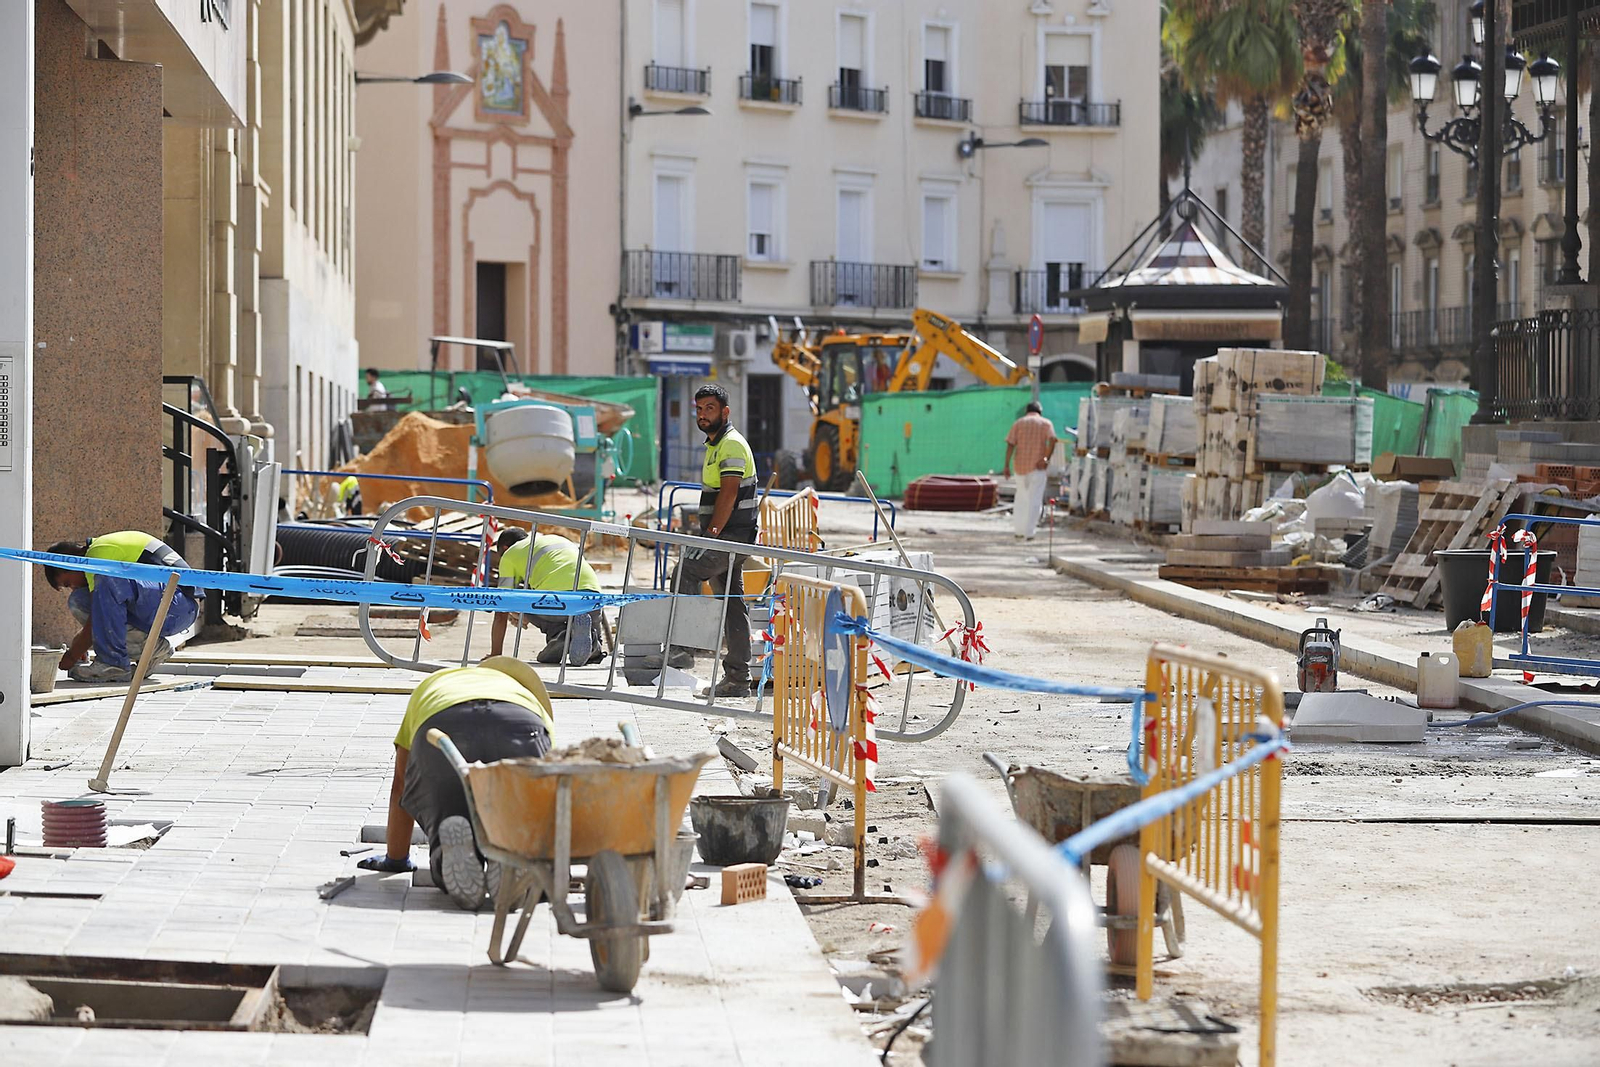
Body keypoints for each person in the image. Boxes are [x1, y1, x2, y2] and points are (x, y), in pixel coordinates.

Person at [361, 657, 554, 910]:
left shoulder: (435, 683)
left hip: (443, 724)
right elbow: (550, 796)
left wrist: (395, 859)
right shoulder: (525, 696)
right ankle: (512, 852)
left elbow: (401, 784)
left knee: (450, 812)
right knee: (523, 817)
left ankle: (446, 849)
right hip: (520, 724)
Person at [665, 383, 759, 698]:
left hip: (730, 537)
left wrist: (712, 534)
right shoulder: (715, 445)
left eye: (710, 409)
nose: (704, 415)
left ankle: (682, 648)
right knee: (733, 605)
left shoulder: (730, 445)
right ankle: (738, 679)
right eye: (700, 409)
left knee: (686, 572)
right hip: (732, 537)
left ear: (725, 412)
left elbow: (729, 492)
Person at [43, 532, 203, 683]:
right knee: (79, 600)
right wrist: (78, 647)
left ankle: (113, 663)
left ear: (72, 564)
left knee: (105, 582)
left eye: (68, 583)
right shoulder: (96, 555)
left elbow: (95, 621)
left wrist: (72, 656)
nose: (72, 587)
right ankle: (150, 649)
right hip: (164, 604)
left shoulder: (98, 555)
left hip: (180, 605)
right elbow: (101, 618)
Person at [489, 527, 606, 666]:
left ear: (505, 547)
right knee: (593, 638)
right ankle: (593, 647)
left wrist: (495, 654)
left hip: (556, 602)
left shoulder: (510, 554)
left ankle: (559, 636)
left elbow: (502, 604)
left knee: (528, 603)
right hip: (592, 598)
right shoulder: (557, 538)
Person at [1003, 401, 1058, 541]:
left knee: (1021, 498)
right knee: (1035, 499)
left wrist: (1006, 465)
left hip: (1020, 466)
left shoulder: (1018, 423)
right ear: (1040, 411)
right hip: (1037, 467)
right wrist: (1046, 458)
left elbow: (1010, 444)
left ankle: (1019, 531)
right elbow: (1052, 440)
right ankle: (1029, 532)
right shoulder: (1046, 423)